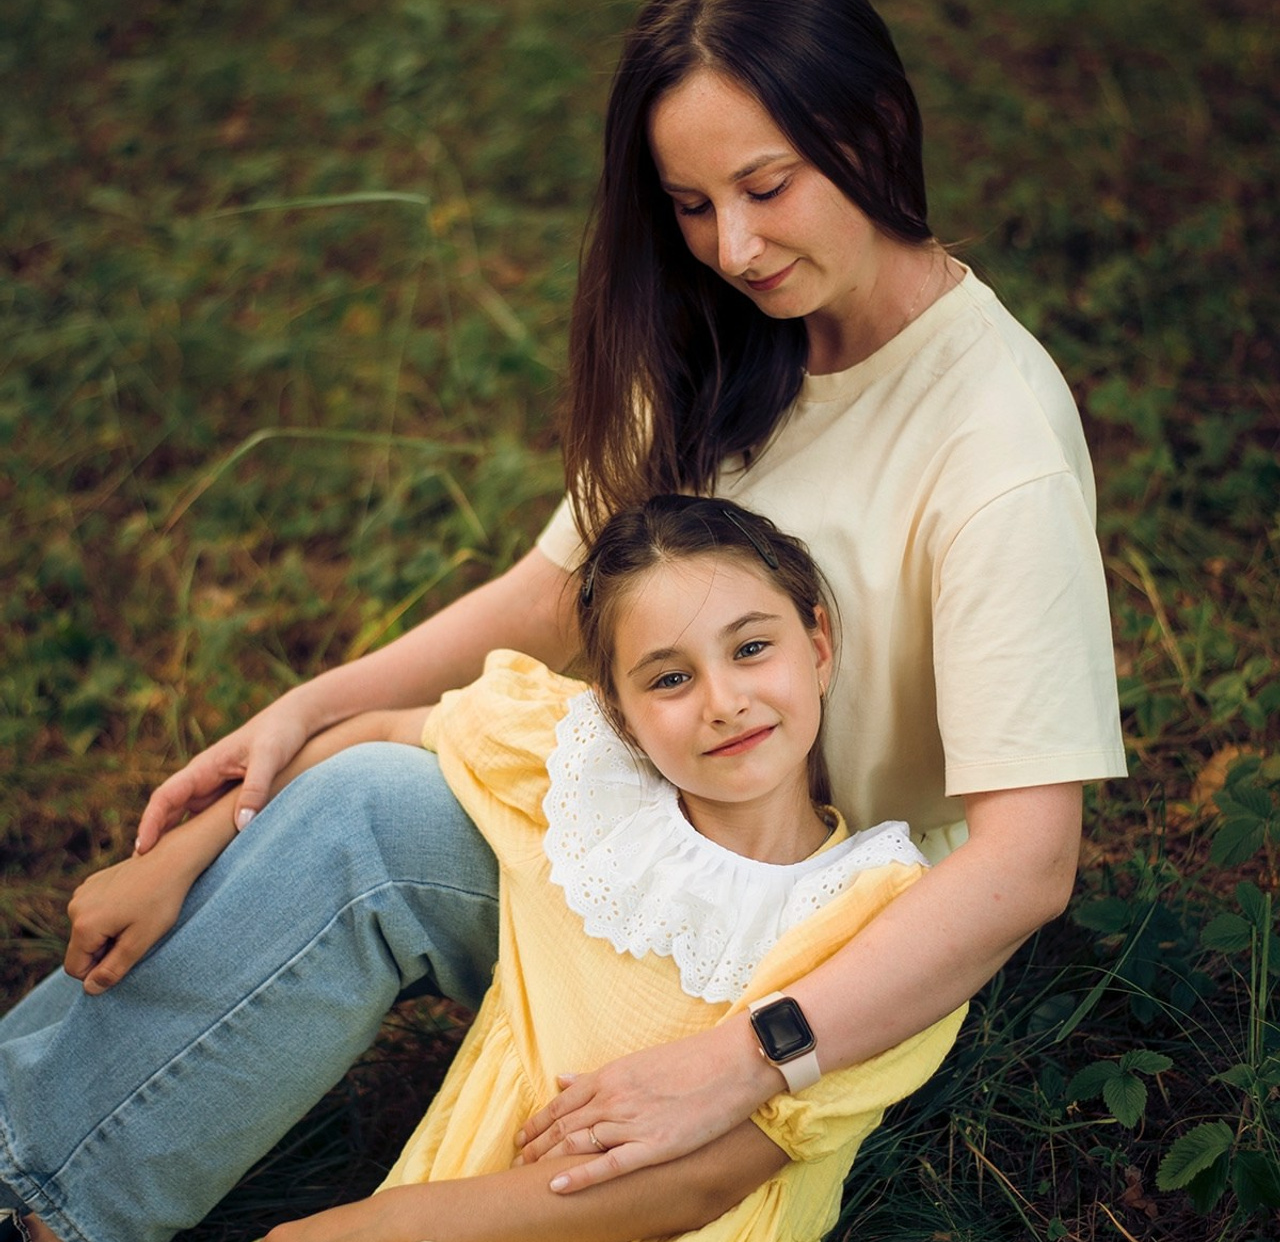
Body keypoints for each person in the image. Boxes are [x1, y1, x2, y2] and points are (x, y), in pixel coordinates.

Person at [0, 0, 1126, 1239]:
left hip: (816, 946)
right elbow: (549, 595)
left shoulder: (993, 437)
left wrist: (744, 1057)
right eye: (692, 206)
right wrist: (295, 717)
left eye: (766, 188)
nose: (735, 247)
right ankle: (35, 1192)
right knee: (363, 803)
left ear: (870, 126)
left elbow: (1026, 861)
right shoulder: (720, 332)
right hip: (634, 823)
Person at [248, 495, 965, 1242]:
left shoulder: (885, 920)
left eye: (751, 649)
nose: (724, 703)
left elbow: (705, 1185)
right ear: (618, 712)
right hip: (467, 1193)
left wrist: (378, 1228)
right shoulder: (583, 785)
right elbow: (373, 735)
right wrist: (171, 864)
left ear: (818, 647)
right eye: (668, 679)